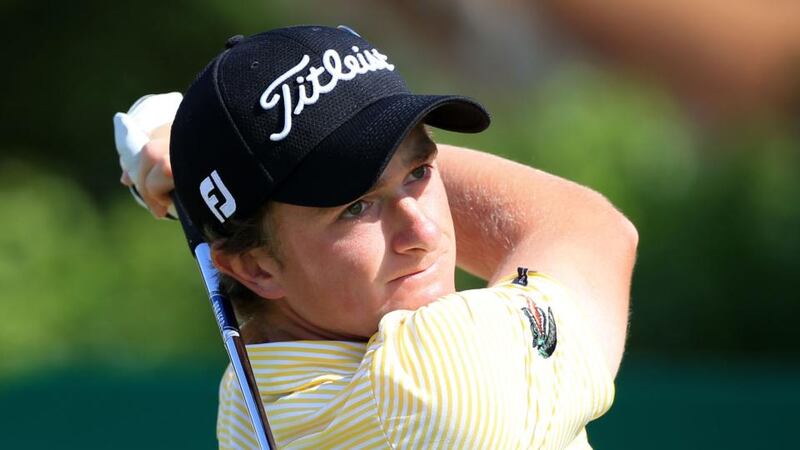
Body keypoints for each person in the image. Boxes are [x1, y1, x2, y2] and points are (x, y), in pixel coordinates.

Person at [117, 25, 637, 449]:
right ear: (254, 267)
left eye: (420, 172)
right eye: (355, 207)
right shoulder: (433, 385)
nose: (424, 231)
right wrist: (191, 152)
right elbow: (590, 228)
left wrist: (210, 163)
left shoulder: (248, 398)